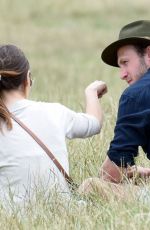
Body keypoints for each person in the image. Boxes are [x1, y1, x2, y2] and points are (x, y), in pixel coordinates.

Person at [0, 44, 107, 204]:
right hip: (64, 211)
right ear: (27, 79)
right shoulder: (54, 112)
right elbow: (94, 124)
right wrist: (91, 92)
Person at [78, 20, 150, 197]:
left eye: (125, 62)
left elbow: (110, 175)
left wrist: (91, 93)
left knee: (91, 187)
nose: (122, 74)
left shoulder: (135, 94)